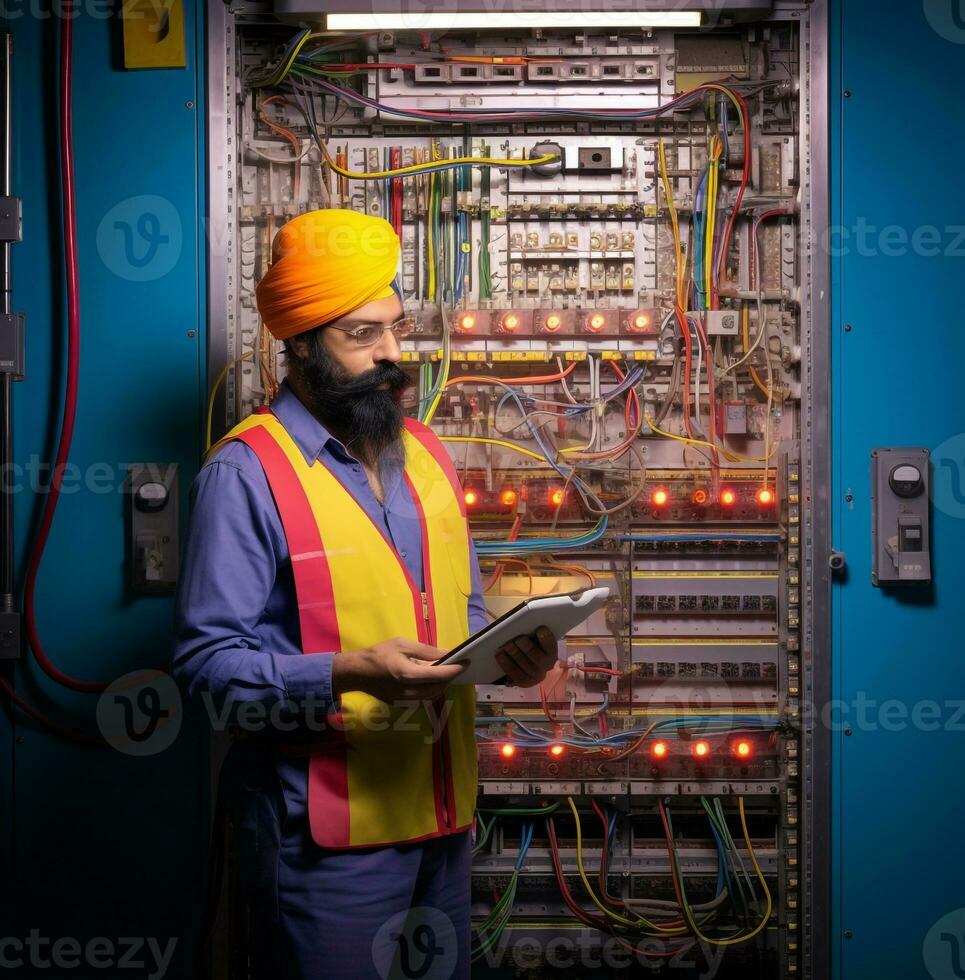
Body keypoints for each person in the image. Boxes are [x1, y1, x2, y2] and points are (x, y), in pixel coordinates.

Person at [171, 209, 559, 979]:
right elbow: (204, 669)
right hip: (323, 837)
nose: (391, 355)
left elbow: (461, 616)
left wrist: (510, 654)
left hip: (442, 819)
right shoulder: (245, 473)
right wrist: (349, 673)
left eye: (395, 327)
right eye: (361, 336)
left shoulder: (426, 455)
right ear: (302, 346)